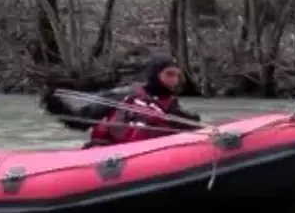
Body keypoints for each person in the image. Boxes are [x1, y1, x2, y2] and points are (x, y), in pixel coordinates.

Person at [40, 55, 202, 148]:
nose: (175, 80)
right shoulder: (124, 95)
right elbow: (82, 119)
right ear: (155, 74)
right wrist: (56, 105)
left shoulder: (171, 106)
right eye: (169, 74)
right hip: (112, 156)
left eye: (177, 75)